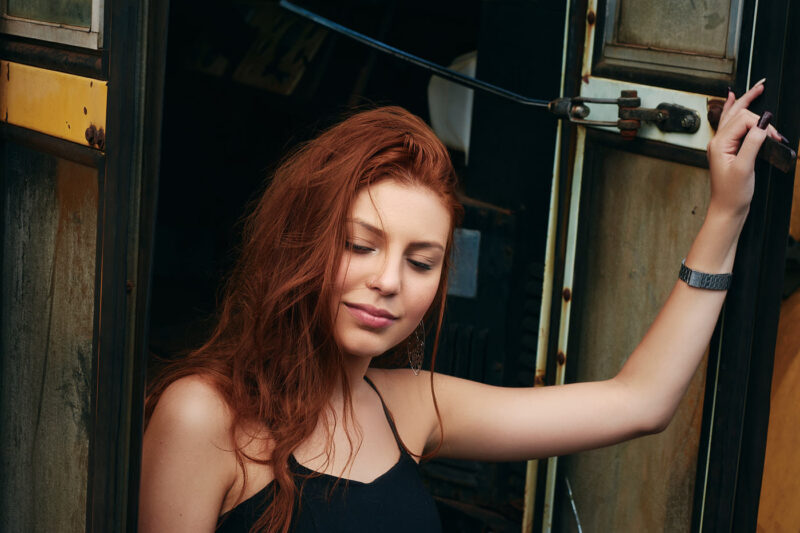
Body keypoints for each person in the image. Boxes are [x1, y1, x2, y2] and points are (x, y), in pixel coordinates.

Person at [139, 83, 783, 532]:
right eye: (362, 246)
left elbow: (639, 401)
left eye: (422, 262)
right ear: (301, 244)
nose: (389, 281)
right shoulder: (204, 415)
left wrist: (725, 214)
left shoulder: (410, 408)